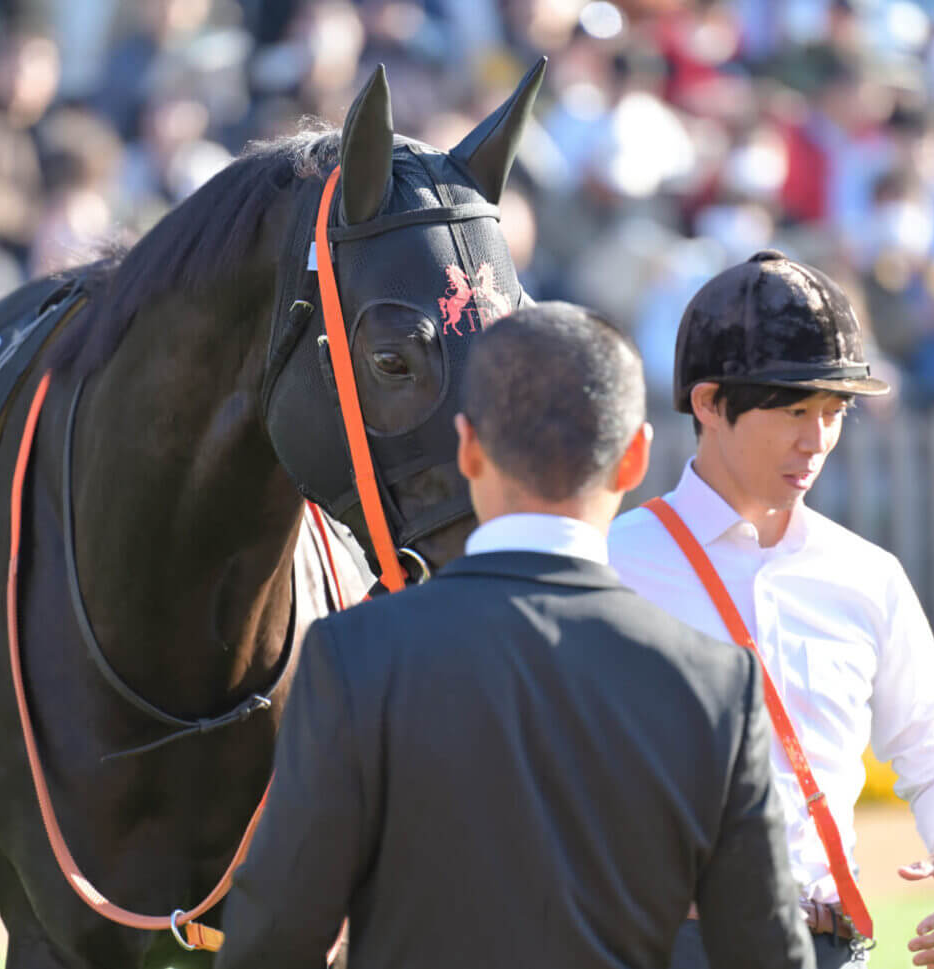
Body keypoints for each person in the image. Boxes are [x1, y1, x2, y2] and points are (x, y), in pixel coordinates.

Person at [218, 302, 814, 969]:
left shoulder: (355, 656)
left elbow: (271, 943)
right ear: (634, 457)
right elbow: (767, 954)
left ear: (468, 446)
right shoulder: (715, 685)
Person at [609, 250, 934, 969]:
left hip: (827, 947)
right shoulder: (608, 565)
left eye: (834, 411)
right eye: (795, 409)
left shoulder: (868, 575)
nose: (817, 439)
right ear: (707, 402)